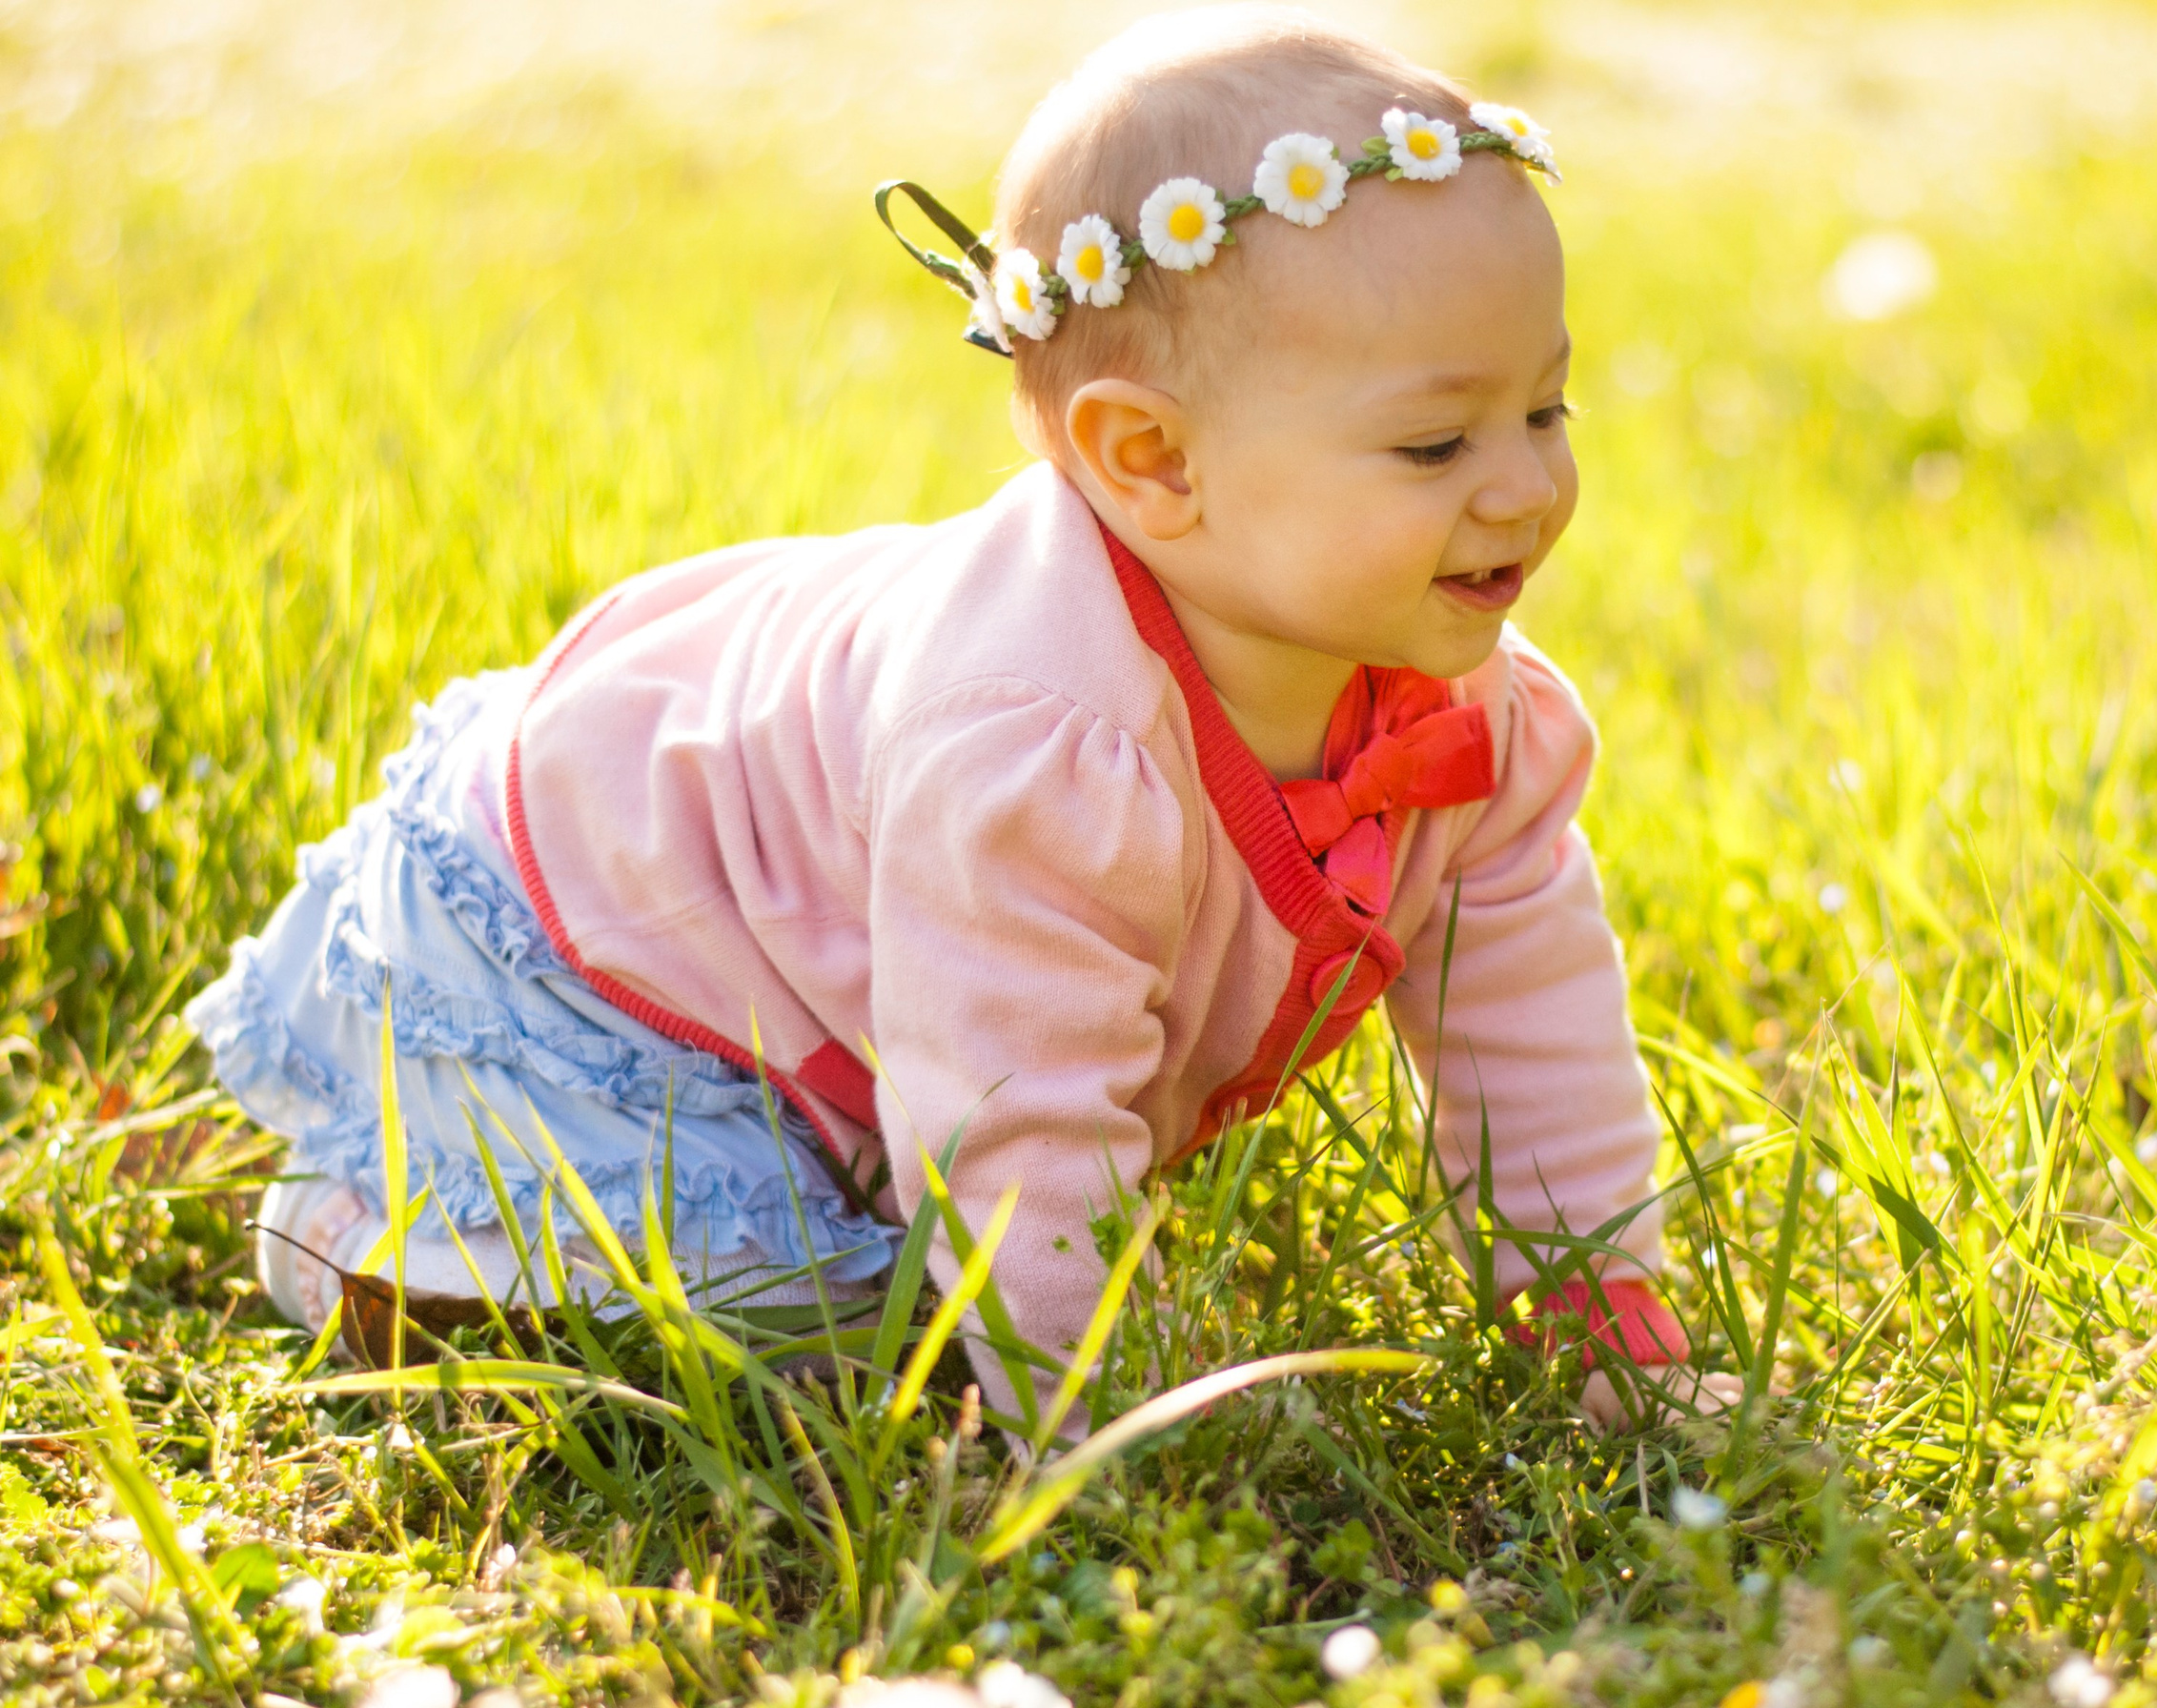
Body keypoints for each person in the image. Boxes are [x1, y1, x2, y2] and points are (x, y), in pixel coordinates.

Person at [187, 6, 1737, 1429]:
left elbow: (1527, 1017)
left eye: (1548, 408)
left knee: (908, 1293)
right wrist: (1120, 1418)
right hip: (617, 948)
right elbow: (1019, 1130)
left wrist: (1591, 1315)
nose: (1526, 486)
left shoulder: (1476, 706)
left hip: (855, 992)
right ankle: (380, 1236)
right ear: (1151, 466)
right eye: (1432, 442)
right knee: (839, 1326)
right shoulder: (1036, 745)